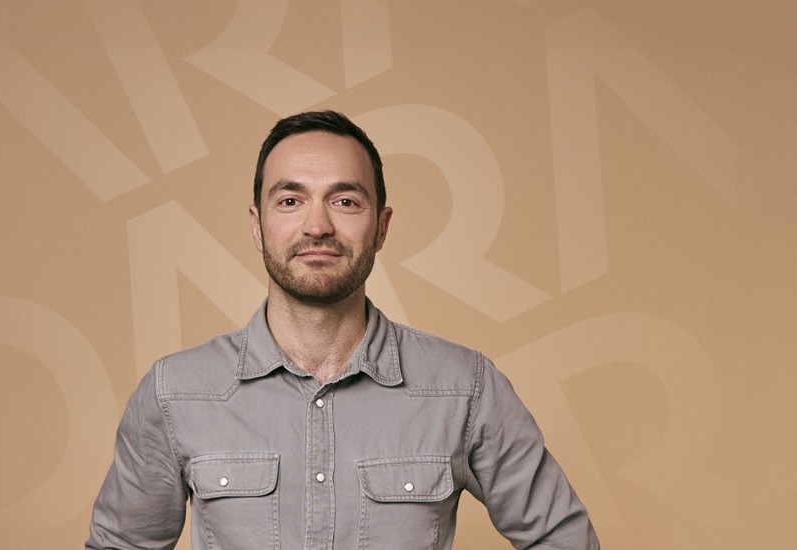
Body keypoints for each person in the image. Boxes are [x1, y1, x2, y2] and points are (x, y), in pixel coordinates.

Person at [86, 110, 599, 549]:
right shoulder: (176, 393)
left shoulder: (465, 386)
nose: (317, 227)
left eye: (345, 201)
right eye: (290, 200)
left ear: (381, 227)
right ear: (256, 223)